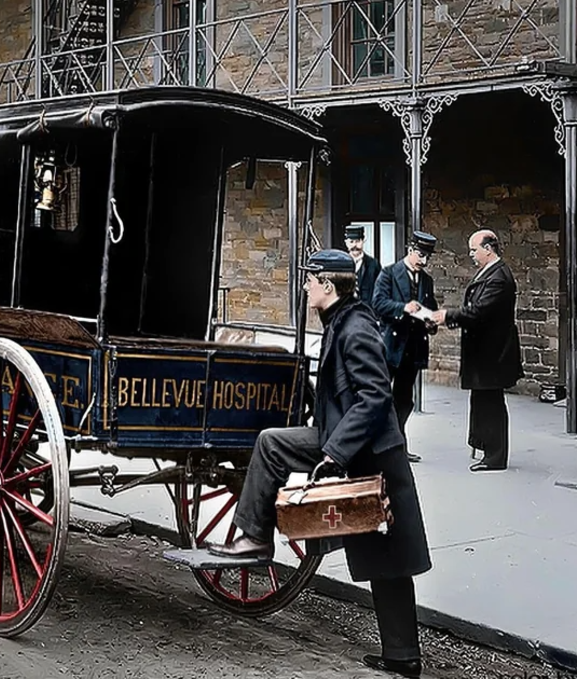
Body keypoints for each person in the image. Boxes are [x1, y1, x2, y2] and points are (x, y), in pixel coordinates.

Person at [209, 249, 431, 678]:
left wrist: (334, 453)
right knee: (388, 560)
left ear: (329, 286)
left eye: (311, 279)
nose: (306, 285)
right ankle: (402, 657)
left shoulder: (355, 328)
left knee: (391, 558)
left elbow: (374, 396)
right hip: (356, 446)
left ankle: (254, 539)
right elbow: (339, 392)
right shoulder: (342, 320)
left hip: (371, 454)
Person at [432, 230, 522, 472]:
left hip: (493, 352)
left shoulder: (498, 277)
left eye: (474, 250)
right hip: (486, 350)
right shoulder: (491, 272)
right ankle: (485, 446)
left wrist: (447, 315)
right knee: (482, 399)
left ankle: (495, 457)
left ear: (488, 249)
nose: (471, 254)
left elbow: (479, 311)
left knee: (491, 402)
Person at [372, 231, 439, 463]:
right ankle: (376, 445)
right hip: (391, 348)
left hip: (413, 350)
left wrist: (432, 323)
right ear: (410, 250)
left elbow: (430, 308)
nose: (424, 261)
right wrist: (403, 308)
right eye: (421, 255)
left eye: (427, 257)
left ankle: (399, 446)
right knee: (381, 397)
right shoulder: (389, 273)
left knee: (404, 400)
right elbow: (378, 303)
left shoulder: (427, 281)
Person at [344, 224, 381, 307]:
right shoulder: (341, 264)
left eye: (357, 241)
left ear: (363, 240)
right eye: (351, 242)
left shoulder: (373, 264)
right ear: (346, 243)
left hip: (368, 313)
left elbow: (379, 292)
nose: (354, 245)